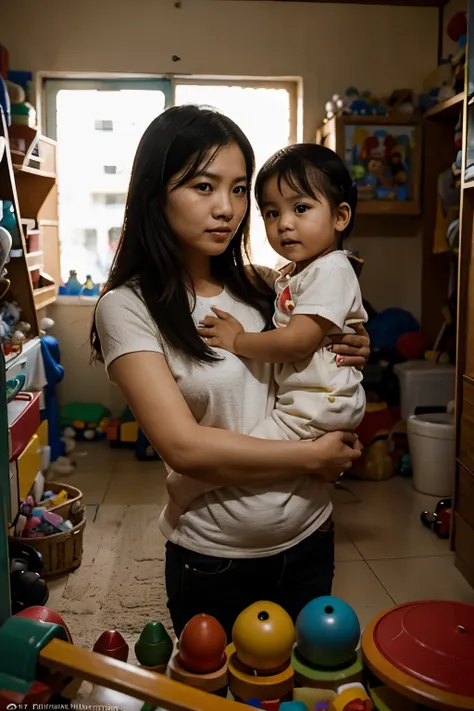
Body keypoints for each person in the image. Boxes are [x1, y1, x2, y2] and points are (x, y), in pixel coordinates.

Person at [91, 105, 370, 640]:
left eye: (239, 189)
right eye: (203, 186)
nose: (227, 209)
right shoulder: (127, 309)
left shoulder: (269, 285)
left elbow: (323, 349)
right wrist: (314, 456)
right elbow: (186, 450)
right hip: (215, 558)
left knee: (300, 689)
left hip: (311, 534)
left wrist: (355, 342)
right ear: (155, 192)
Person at [168, 144, 367, 513]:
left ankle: (190, 485)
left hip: (315, 403)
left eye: (301, 208)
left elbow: (296, 343)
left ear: (340, 217)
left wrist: (239, 340)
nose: (284, 223)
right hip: (310, 399)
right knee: (267, 454)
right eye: (272, 213)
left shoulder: (331, 269)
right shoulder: (292, 275)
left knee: (251, 452)